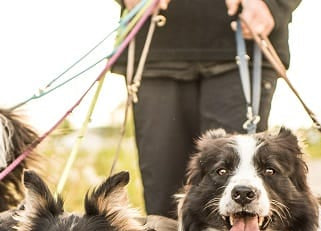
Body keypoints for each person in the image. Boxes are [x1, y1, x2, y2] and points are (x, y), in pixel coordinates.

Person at [117, 0, 303, 217]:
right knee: (162, 208)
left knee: (240, 202)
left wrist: (273, 4)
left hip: (244, 44)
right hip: (157, 50)